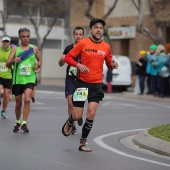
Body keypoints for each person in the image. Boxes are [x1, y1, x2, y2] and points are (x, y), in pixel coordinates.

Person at [61, 18, 118, 152]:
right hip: (81, 83)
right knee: (77, 115)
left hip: (96, 84)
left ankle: (83, 142)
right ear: (91, 29)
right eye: (96, 27)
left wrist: (113, 65)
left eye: (101, 28)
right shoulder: (82, 43)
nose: (98, 30)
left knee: (91, 113)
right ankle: (71, 121)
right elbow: (67, 58)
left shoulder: (106, 47)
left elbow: (109, 63)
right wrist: (78, 65)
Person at [6, 28, 42, 133]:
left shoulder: (34, 49)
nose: (26, 39)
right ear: (20, 38)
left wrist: (37, 65)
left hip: (30, 78)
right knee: (18, 103)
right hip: (17, 80)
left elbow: (40, 60)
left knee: (27, 99)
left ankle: (24, 123)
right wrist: (14, 60)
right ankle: (17, 121)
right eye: (23, 37)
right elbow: (7, 64)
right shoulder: (15, 49)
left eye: (27, 36)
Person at [58, 27, 84, 135]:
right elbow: (60, 64)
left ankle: (79, 115)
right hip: (70, 78)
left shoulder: (85, 49)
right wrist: (62, 59)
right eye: (76, 34)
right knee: (70, 102)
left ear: (83, 36)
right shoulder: (68, 48)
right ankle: (71, 124)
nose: (78, 36)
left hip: (82, 79)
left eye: (80, 34)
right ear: (73, 35)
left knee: (78, 103)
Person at [0, 35, 12, 119]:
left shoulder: (12, 51)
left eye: (7, 41)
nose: (5, 43)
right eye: (4, 41)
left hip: (8, 76)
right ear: (2, 42)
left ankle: (3, 111)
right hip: (0, 75)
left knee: (6, 95)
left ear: (9, 43)